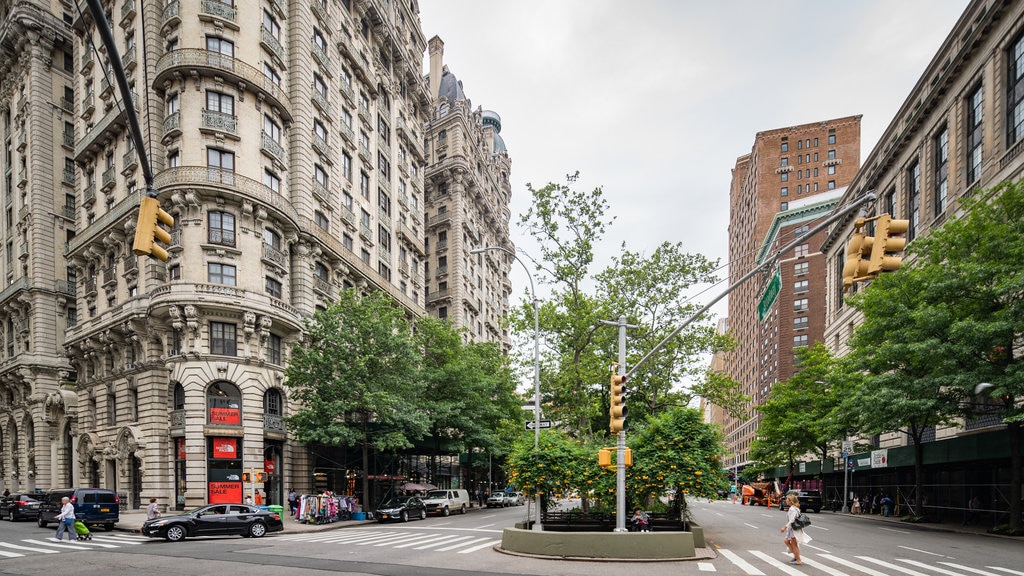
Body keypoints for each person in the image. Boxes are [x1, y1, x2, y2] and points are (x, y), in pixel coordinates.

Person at [780, 493, 808, 565]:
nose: (786, 500)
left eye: (787, 499)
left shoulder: (792, 509)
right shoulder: (795, 508)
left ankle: (798, 560)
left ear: (791, 501)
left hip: (794, 529)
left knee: (794, 545)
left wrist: (784, 527)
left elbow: (792, 520)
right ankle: (796, 557)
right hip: (793, 529)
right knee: (787, 541)